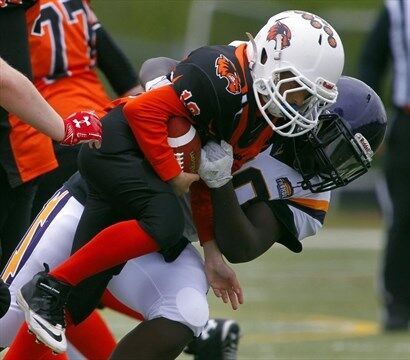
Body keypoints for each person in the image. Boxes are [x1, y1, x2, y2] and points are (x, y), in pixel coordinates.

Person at [17, 10, 345, 355]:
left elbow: (204, 183)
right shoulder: (224, 79)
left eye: (306, 98)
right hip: (112, 148)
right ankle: (51, 285)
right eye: (292, 88)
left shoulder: (263, 121)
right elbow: (139, 109)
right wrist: (174, 171)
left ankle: (54, 291)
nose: (297, 104)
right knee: (165, 223)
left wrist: (211, 252)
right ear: (266, 56)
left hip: (128, 177)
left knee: (78, 305)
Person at [26, 0, 141, 219]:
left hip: (50, 131)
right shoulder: (73, 3)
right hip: (105, 127)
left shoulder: (14, 7)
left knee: (33, 240)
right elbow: (127, 81)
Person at [358, 0, 410, 331]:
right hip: (407, 121)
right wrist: (371, 123)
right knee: (404, 215)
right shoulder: (397, 9)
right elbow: (371, 62)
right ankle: (398, 301)